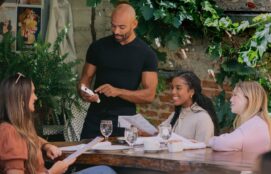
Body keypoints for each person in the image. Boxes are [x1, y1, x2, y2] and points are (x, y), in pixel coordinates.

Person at [0, 73, 116, 174]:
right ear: (21, 99)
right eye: (32, 93)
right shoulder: (9, 131)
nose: (35, 97)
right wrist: (52, 171)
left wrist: (47, 146)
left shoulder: (20, 128)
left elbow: (34, 139)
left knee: (105, 170)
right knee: (105, 171)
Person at [79, 2, 158, 139]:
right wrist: (85, 93)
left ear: (134, 24)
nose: (116, 31)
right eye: (113, 26)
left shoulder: (146, 54)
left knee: (119, 159)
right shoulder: (98, 47)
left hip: (125, 120)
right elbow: (85, 80)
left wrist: (118, 91)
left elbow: (149, 95)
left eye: (122, 27)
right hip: (95, 117)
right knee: (84, 159)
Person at [208, 81, 271, 154]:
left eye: (235, 95)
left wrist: (211, 140)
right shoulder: (257, 122)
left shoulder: (255, 124)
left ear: (249, 99)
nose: (231, 99)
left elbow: (220, 144)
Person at [161, 71, 219, 144]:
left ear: (191, 92)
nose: (173, 92)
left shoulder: (202, 118)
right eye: (172, 88)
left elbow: (203, 151)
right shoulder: (175, 115)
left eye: (178, 88)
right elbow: (160, 137)